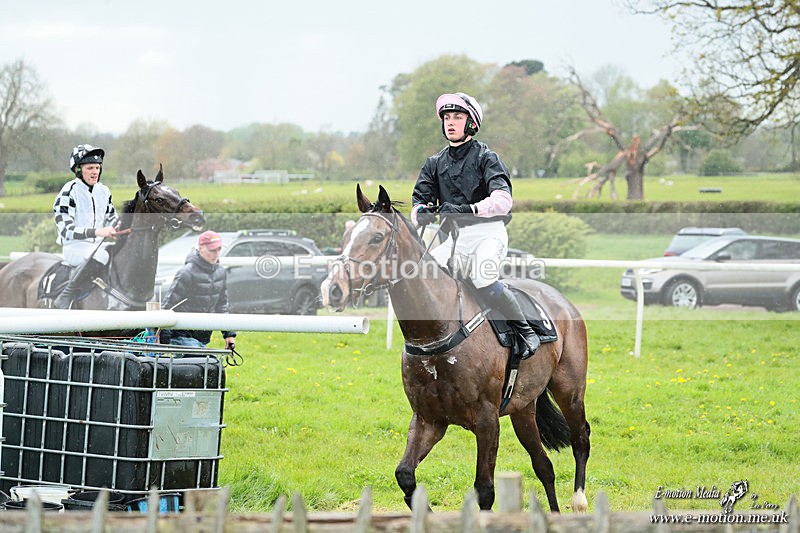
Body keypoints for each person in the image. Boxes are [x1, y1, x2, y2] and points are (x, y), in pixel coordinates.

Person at [410, 92, 540, 359]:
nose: (450, 122)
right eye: (447, 117)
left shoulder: (487, 158)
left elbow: (503, 200)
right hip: (453, 239)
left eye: (458, 117)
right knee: (425, 276)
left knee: (482, 276)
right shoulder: (434, 163)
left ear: (471, 123)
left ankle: (525, 330)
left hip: (488, 233)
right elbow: (418, 202)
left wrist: (468, 209)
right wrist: (421, 212)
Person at [53, 144, 123, 309]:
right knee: (102, 256)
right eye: (90, 167)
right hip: (74, 247)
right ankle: (66, 294)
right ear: (78, 170)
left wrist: (120, 227)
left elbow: (112, 217)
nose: (95, 172)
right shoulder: (68, 191)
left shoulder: (104, 191)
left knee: (118, 252)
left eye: (97, 168)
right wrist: (98, 232)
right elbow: (66, 230)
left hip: (96, 245)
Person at [160, 230, 237, 350]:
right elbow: (169, 306)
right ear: (200, 248)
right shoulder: (186, 273)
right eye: (212, 250)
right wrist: (163, 341)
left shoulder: (221, 272)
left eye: (219, 249)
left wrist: (229, 335)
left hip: (202, 338)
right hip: (181, 337)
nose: (216, 254)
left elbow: (221, 306)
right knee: (207, 363)